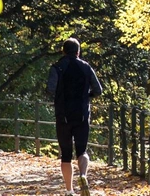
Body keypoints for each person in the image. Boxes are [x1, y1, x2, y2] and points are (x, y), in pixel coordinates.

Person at [49, 37, 103, 196]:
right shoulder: (86, 67)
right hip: (82, 114)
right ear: (78, 51)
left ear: (63, 51)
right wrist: (86, 96)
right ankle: (83, 176)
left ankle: (69, 190)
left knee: (66, 154)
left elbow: (51, 89)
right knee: (82, 150)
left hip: (63, 116)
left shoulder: (57, 67)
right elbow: (98, 90)